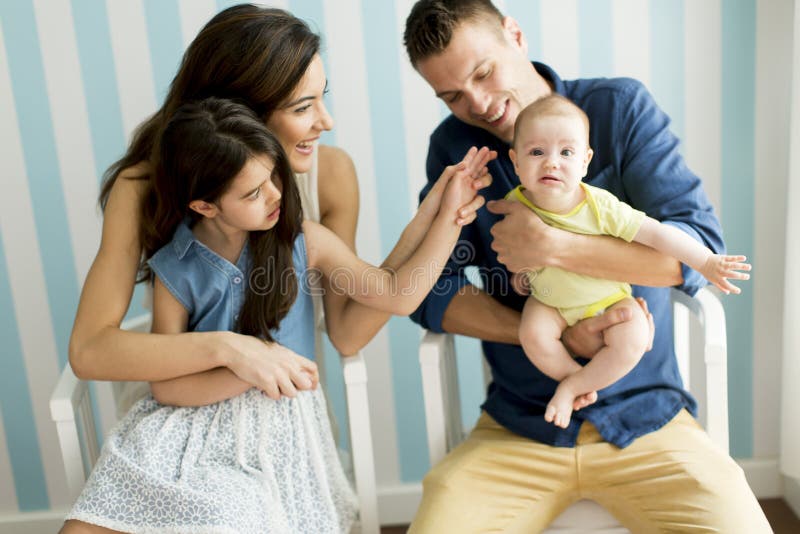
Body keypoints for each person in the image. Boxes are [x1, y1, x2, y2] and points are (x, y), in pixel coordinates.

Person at [403, 0, 771, 532]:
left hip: (648, 420)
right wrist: (556, 342)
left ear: (516, 36)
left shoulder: (618, 109)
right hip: (518, 428)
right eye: (453, 96)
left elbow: (694, 250)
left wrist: (552, 247)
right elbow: (434, 289)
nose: (478, 103)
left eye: (483, 73)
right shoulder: (457, 149)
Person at [62, 98, 493, 533]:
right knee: (89, 522)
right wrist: (246, 369)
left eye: (272, 178)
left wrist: (447, 215)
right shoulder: (176, 265)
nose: (275, 195)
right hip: (179, 431)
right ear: (204, 206)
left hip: (273, 433)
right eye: (253, 192)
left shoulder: (303, 241)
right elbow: (168, 388)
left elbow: (397, 293)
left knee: (222, 516)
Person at [68, 6, 490, 418]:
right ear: (239, 116)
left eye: (320, 97)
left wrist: (437, 217)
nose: (326, 121)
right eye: (302, 107)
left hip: (283, 412)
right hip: (186, 409)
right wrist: (232, 350)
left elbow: (348, 329)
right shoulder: (143, 186)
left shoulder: (330, 175)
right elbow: (90, 351)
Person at [508, 94, 751, 429]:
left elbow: (657, 235)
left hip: (608, 302)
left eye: (566, 152)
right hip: (549, 302)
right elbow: (512, 258)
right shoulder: (515, 204)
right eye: (537, 152)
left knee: (634, 337)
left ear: (584, 162)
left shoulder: (598, 205)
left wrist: (705, 261)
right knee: (532, 334)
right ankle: (574, 377)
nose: (551, 163)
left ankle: (574, 387)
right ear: (516, 161)